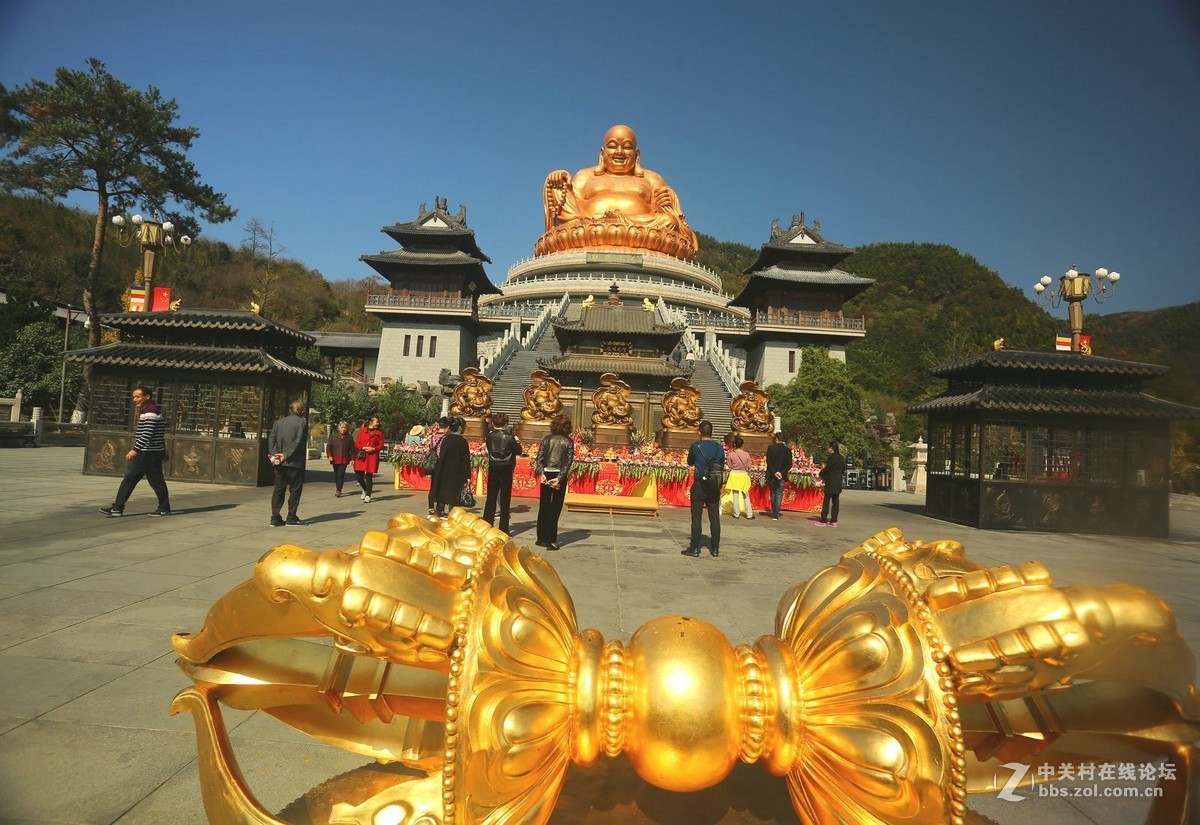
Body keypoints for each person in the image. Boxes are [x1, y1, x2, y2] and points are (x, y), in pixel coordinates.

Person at [99, 385, 171, 517]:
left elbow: (147, 434)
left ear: (147, 396)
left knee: (155, 481)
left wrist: (135, 450)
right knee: (130, 479)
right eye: (134, 397)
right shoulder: (147, 410)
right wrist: (163, 450)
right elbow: (158, 433)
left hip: (149, 453)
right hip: (149, 451)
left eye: (137, 396)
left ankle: (164, 508)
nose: (134, 399)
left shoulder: (151, 411)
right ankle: (117, 508)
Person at [682, 421, 725, 558]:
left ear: (699, 432)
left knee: (696, 518)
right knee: (714, 517)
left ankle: (694, 547)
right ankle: (715, 548)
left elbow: (690, 461)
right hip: (714, 486)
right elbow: (721, 465)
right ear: (712, 432)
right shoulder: (719, 448)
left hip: (700, 484)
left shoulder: (696, 446)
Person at [534, 413, 574, 551]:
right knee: (555, 507)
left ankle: (540, 537)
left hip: (546, 473)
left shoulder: (547, 439)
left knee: (544, 505)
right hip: (558, 475)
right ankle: (550, 539)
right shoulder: (568, 441)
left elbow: (539, 457)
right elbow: (568, 462)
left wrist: (542, 473)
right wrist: (560, 477)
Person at [268, 400, 309, 527]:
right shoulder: (302, 422)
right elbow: (299, 441)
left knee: (278, 490)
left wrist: (276, 455)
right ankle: (291, 517)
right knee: (295, 490)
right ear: (302, 411)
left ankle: (275, 517)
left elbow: (271, 439)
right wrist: (285, 455)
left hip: (279, 463)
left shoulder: (278, 422)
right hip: (294, 462)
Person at [483, 412, 522, 535]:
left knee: (491, 497)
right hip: (506, 467)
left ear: (493, 424)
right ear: (506, 424)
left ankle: (486, 524)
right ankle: (503, 528)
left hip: (494, 466)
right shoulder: (509, 437)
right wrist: (517, 442)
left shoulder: (489, 436)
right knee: (505, 499)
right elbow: (518, 451)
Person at [430, 417, 470, 518]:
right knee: (454, 498)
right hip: (456, 472)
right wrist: (467, 475)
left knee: (442, 496)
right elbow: (465, 460)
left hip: (443, 471)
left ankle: (437, 515)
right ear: (460, 428)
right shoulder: (462, 441)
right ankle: (452, 517)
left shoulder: (446, 439)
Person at [354, 416, 385, 503]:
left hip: (372, 456)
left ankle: (368, 495)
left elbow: (381, 445)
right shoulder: (362, 431)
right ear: (371, 422)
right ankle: (365, 489)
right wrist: (362, 447)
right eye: (376, 421)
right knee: (359, 476)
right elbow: (357, 443)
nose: (378, 423)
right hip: (362, 456)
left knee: (369, 477)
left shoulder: (379, 433)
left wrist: (374, 449)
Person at [816, 441, 847, 528]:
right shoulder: (841, 457)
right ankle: (834, 520)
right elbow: (844, 468)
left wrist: (821, 474)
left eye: (828, 447)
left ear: (831, 448)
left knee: (826, 501)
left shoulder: (832, 458)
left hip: (830, 481)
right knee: (835, 502)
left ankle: (823, 520)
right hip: (838, 481)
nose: (828, 449)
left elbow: (827, 469)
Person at [765, 432, 793, 520]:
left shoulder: (771, 448)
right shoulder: (787, 450)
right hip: (781, 475)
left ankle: (774, 510)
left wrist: (774, 472)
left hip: (772, 474)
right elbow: (789, 464)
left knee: (773, 492)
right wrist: (781, 472)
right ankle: (776, 513)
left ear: (776, 439)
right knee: (779, 493)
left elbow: (768, 462)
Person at [725, 436, 754, 520]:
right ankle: (749, 514)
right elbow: (749, 466)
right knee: (746, 495)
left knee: (735, 494)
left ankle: (736, 513)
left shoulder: (731, 454)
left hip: (734, 474)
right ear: (742, 445)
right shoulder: (746, 454)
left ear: (734, 445)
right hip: (743, 475)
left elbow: (729, 465)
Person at [426, 416, 450, 515]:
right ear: (447, 427)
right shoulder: (446, 438)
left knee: (433, 486)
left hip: (433, 464)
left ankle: (431, 508)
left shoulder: (432, 437)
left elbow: (428, 450)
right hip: (442, 464)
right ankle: (440, 509)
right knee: (442, 487)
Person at [325, 420, 354, 497]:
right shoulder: (333, 436)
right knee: (337, 474)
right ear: (338, 428)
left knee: (341, 474)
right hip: (335, 458)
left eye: (345, 427)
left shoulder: (349, 437)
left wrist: (352, 459)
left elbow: (352, 449)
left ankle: (339, 490)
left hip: (344, 459)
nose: (343, 429)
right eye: (342, 427)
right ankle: (338, 487)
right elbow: (329, 447)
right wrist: (329, 456)